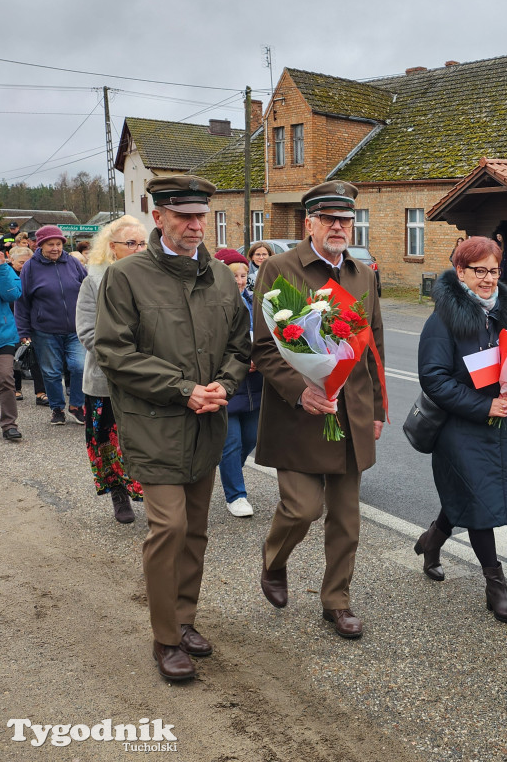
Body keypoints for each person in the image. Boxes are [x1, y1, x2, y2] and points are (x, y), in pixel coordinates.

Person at [94, 175, 250, 682]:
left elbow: (239, 347)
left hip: (208, 424)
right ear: (158, 217)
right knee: (170, 527)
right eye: (183, 215)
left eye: (201, 215)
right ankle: (165, 639)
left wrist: (224, 385)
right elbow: (115, 353)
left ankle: (184, 620)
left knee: (197, 530)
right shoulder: (127, 276)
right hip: (155, 424)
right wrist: (183, 388)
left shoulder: (221, 278)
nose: (195, 224)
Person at [253, 181, 385, 640]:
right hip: (298, 416)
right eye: (328, 219)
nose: (337, 227)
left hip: (350, 415)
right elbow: (264, 350)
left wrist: (379, 410)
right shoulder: (278, 269)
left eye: (345, 220)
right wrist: (300, 390)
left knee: (347, 520)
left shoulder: (362, 274)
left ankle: (337, 602)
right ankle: (274, 561)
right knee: (303, 509)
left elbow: (374, 350)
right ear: (307, 222)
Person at [415, 236, 507, 625]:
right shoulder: (444, 318)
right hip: (458, 426)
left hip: (495, 423)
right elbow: (434, 378)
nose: (489, 279)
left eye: (494, 271)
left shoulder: (505, 315)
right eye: (479, 271)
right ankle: (496, 586)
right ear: (460, 272)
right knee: (479, 501)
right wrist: (484, 405)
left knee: (473, 493)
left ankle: (432, 540)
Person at [75, 216, 147, 524]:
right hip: (106, 380)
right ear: (112, 247)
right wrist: (126, 360)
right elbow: (88, 333)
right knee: (108, 440)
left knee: (146, 440)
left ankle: (153, 495)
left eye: (142, 243)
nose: (138, 248)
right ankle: (118, 493)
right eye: (130, 243)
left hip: (150, 377)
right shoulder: (93, 281)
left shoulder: (154, 278)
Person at [14, 225, 87, 426]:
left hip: (75, 328)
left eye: (58, 244)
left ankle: (76, 406)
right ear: (41, 245)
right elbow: (22, 301)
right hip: (44, 330)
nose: (55, 248)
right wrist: (24, 330)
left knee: (79, 366)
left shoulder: (73, 263)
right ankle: (57, 408)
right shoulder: (30, 267)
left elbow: (88, 289)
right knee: (52, 371)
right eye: (50, 244)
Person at [214, 248, 262, 519]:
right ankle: (236, 494)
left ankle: (230, 472)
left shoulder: (255, 302)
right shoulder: (213, 305)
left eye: (244, 275)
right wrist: (241, 361)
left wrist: (260, 357)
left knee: (250, 437)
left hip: (255, 383)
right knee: (230, 441)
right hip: (228, 382)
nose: (240, 281)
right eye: (234, 276)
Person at [7, 246, 45, 405]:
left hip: (34, 321)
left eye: (27, 262)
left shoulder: (35, 276)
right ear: (12, 260)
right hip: (11, 322)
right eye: (21, 262)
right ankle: (16, 388)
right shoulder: (7, 275)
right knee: (16, 357)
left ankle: (41, 392)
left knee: (37, 358)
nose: (24, 265)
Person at [0, 246, 23, 441]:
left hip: (2, 337)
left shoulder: (5, 269)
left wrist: (0, 267)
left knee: (6, 378)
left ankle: (9, 425)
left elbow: (13, 294)